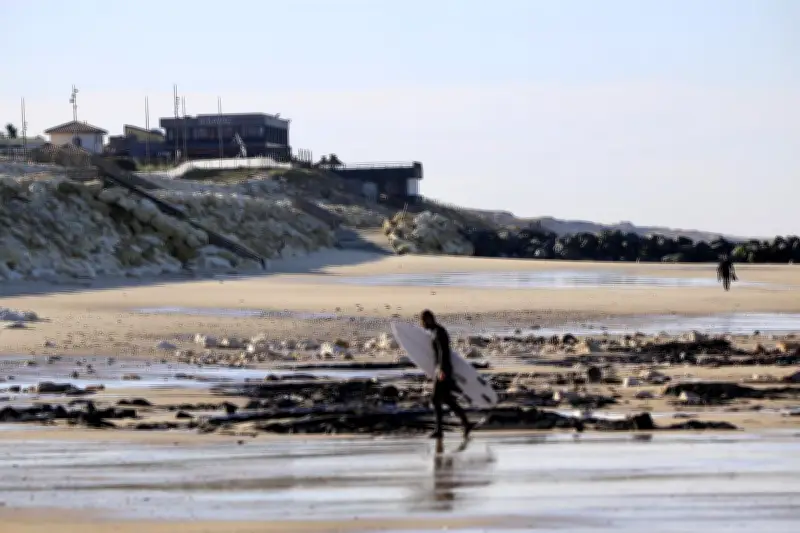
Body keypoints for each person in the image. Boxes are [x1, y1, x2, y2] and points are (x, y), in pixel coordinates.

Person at [420, 309, 474, 439]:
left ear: (428, 319)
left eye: (422, 321)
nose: (422, 324)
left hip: (443, 370)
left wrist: (440, 370)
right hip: (443, 369)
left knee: (436, 399)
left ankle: (440, 430)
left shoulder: (439, 332)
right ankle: (465, 423)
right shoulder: (436, 332)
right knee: (447, 400)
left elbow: (443, 353)